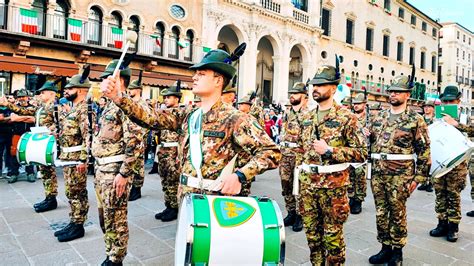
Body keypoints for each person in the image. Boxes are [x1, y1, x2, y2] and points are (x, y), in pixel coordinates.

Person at [101, 47, 281, 200]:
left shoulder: (236, 119)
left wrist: (240, 176)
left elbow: (271, 152)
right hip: (188, 199)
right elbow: (152, 117)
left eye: (201, 74)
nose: (194, 77)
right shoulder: (188, 114)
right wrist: (119, 97)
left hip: (217, 203)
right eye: (195, 73)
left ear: (218, 80)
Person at [298, 65, 367, 265]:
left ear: (334, 88)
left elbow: (362, 153)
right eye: (314, 85)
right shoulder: (306, 118)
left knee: (333, 239)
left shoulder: (347, 118)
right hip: (308, 187)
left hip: (333, 189)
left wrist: (331, 151)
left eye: (321, 85)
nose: (315, 89)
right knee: (312, 237)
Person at [368, 75, 431, 265]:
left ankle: (397, 251)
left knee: (397, 212)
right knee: (381, 212)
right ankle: (385, 247)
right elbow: (372, 143)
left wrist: (418, 178)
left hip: (401, 175)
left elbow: (424, 150)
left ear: (407, 95)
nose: (393, 94)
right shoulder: (380, 116)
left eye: (398, 91)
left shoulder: (415, 119)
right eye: (391, 91)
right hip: (379, 173)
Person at [92, 59, 143, 265]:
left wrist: (124, 174)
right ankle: (109, 251)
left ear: (119, 81)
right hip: (101, 169)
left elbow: (135, 142)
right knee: (105, 216)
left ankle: (116, 258)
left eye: (107, 78)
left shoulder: (127, 106)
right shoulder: (108, 106)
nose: (102, 83)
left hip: (115, 171)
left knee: (116, 218)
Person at [0, 81, 59, 213]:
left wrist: (53, 129)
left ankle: (51, 198)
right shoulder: (41, 107)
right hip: (41, 142)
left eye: (43, 92)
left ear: (51, 93)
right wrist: (7, 104)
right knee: (45, 172)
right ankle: (49, 197)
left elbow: (61, 124)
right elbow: (24, 111)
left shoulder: (56, 107)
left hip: (48, 142)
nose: (40, 94)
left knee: (49, 171)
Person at [53, 69, 95, 242]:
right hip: (68, 158)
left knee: (77, 193)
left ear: (80, 90)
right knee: (71, 192)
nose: (66, 91)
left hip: (77, 158)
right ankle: (73, 221)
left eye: (70, 89)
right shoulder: (74, 108)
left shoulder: (84, 110)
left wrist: (83, 159)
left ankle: (78, 226)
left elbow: (88, 136)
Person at [430, 85, 474, 242]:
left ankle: (453, 226)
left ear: (458, 100)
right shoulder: (437, 117)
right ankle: (442, 223)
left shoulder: (465, 116)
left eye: (451, 101)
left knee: (453, 195)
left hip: (457, 163)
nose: (448, 104)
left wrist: (457, 125)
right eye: (445, 101)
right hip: (440, 161)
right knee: (440, 193)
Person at [279, 82, 308, 232]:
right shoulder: (287, 113)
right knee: (286, 185)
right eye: (291, 93)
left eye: (295, 93)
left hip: (299, 155)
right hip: (285, 155)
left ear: (304, 97)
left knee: (299, 187)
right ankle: (290, 212)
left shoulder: (308, 115)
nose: (292, 96)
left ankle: (299, 215)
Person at [153, 82, 183, 221]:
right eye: (165, 97)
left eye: (169, 97)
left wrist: (180, 155)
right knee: (164, 180)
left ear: (177, 99)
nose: (165, 99)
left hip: (174, 150)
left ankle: (175, 208)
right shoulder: (165, 113)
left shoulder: (181, 113)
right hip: (164, 149)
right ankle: (168, 205)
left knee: (173, 180)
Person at [126, 78, 148, 201]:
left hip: (138, 138)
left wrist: (140, 136)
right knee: (130, 162)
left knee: (138, 164)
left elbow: (146, 123)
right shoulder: (129, 103)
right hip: (129, 137)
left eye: (132, 89)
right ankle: (131, 186)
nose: (129, 91)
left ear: (138, 90)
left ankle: (137, 188)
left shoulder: (142, 104)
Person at [8, 89, 36, 183]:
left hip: (29, 134)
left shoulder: (33, 107)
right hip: (17, 133)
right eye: (19, 97)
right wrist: (27, 117)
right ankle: (14, 173)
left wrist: (19, 118)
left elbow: (33, 120)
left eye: (23, 96)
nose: (21, 98)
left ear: (28, 97)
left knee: (29, 153)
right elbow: (13, 118)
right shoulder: (14, 107)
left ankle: (30, 173)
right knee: (14, 153)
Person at [347, 93, 369, 214]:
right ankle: (351, 197)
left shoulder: (369, 118)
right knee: (350, 176)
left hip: (361, 151)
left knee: (360, 177)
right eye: (354, 104)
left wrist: (369, 132)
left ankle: (358, 200)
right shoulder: (349, 117)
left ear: (364, 105)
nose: (356, 106)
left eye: (358, 104)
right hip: (350, 150)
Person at [417, 100, 436, 192]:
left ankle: (430, 183)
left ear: (433, 108)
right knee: (423, 163)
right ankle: (424, 182)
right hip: (422, 143)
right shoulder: (420, 118)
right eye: (425, 107)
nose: (426, 108)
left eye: (429, 107)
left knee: (432, 164)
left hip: (434, 143)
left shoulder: (436, 119)